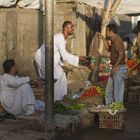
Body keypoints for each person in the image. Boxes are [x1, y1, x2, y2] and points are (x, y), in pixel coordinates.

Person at [35, 21, 87, 101]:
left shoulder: (62, 39)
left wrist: (62, 64)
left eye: (73, 27)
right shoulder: (59, 37)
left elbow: (57, 54)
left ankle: (62, 98)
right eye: (71, 27)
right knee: (54, 78)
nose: (73, 29)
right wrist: (78, 58)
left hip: (50, 60)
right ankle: (54, 101)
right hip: (43, 59)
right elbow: (64, 54)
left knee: (62, 76)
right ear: (65, 28)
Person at [99, 24, 127, 105]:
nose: (106, 33)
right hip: (115, 68)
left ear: (111, 32)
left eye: (106, 32)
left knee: (117, 93)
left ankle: (117, 111)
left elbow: (121, 54)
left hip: (118, 68)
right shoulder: (113, 40)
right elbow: (108, 49)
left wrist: (114, 68)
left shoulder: (117, 40)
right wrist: (103, 39)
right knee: (108, 91)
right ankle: (110, 109)